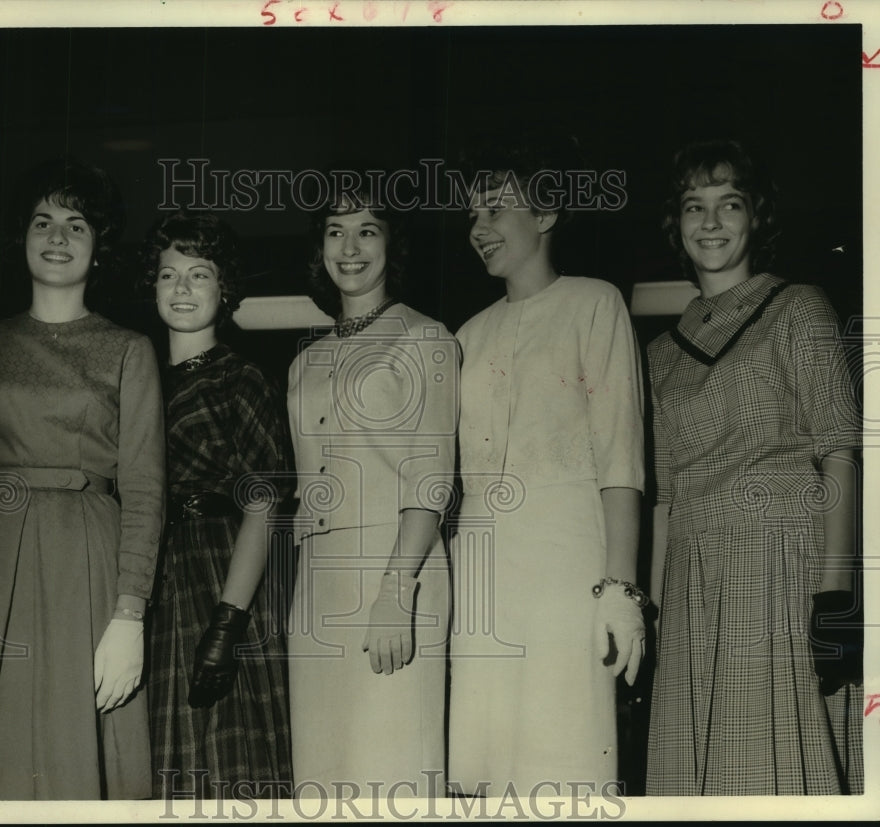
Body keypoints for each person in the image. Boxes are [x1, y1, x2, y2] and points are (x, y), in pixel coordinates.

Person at [0, 158, 165, 799]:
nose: (57, 236)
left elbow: (144, 490)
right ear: (21, 238)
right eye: (43, 221)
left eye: (76, 225)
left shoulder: (129, 349)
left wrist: (129, 615)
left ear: (98, 248)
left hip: (88, 567)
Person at [646, 139, 863, 795]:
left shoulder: (800, 307)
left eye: (729, 203)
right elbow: (664, 498)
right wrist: (655, 615)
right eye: (694, 206)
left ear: (756, 216)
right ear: (677, 224)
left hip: (780, 572)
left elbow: (840, 450)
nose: (710, 223)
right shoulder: (660, 351)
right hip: (691, 581)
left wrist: (835, 594)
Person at [448, 141, 647, 797]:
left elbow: (621, 456)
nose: (479, 229)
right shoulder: (466, 335)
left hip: (567, 572)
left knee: (564, 768)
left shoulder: (595, 304)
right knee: (486, 776)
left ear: (548, 212)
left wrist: (621, 588)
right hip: (483, 576)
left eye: (496, 209)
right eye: (472, 215)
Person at [286, 181, 459, 797]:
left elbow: (431, 477)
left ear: (394, 242)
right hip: (318, 580)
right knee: (323, 777)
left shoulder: (424, 337)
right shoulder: (303, 362)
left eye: (368, 229)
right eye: (335, 230)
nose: (350, 247)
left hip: (396, 569)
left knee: (393, 777)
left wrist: (396, 590)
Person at [143, 210, 293, 800]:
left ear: (224, 289)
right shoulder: (139, 382)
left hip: (224, 575)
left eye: (199, 274)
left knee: (233, 765)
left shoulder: (242, 378)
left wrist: (227, 624)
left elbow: (265, 504)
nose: (182, 288)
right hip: (157, 580)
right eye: (168, 274)